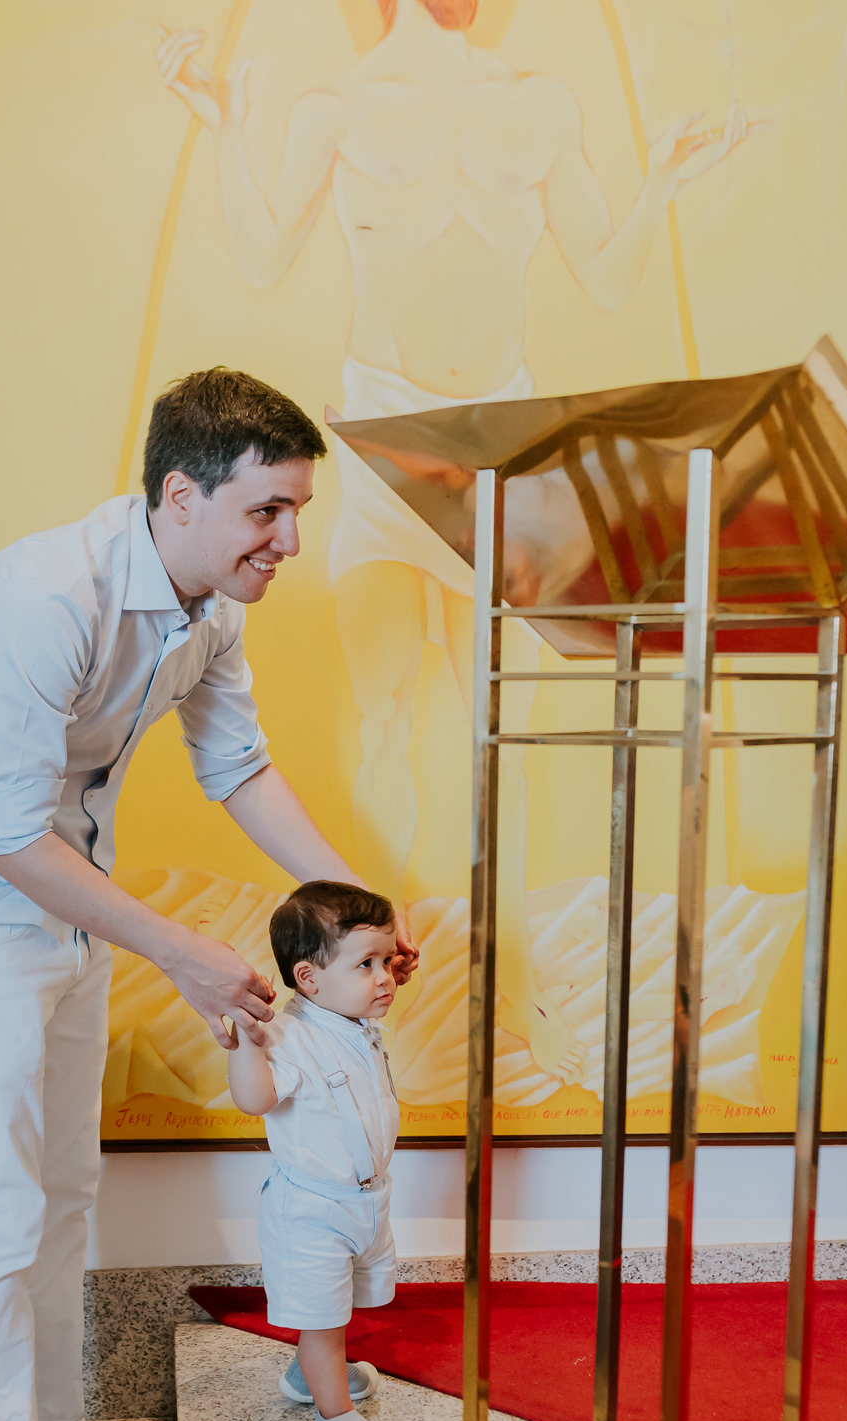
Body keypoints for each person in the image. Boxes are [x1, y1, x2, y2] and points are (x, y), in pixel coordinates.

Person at [0, 369, 417, 1421]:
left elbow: (243, 768)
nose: (288, 542)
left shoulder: (207, 611)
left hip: (64, 909)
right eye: (268, 511)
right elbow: (5, 833)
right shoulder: (39, 598)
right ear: (181, 493)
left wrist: (362, 902)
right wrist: (181, 951)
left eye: (297, 513)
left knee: (62, 1197)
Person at [157, 0, 746, 1085]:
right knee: (385, 715)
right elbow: (257, 254)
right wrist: (220, 126)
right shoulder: (336, 105)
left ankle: (516, 998)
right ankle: (363, 991)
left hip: (503, 447)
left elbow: (606, 279)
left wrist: (661, 179)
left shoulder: (539, 106)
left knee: (501, 745)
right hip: (381, 439)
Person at [227, 881, 403, 1421]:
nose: (385, 978)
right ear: (308, 978)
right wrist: (245, 1046)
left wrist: (369, 962)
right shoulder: (288, 1035)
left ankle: (309, 1377)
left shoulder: (354, 1024)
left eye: (386, 962)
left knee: (339, 1303)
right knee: (325, 1318)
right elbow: (256, 1099)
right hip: (312, 1209)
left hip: (362, 1202)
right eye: (367, 964)